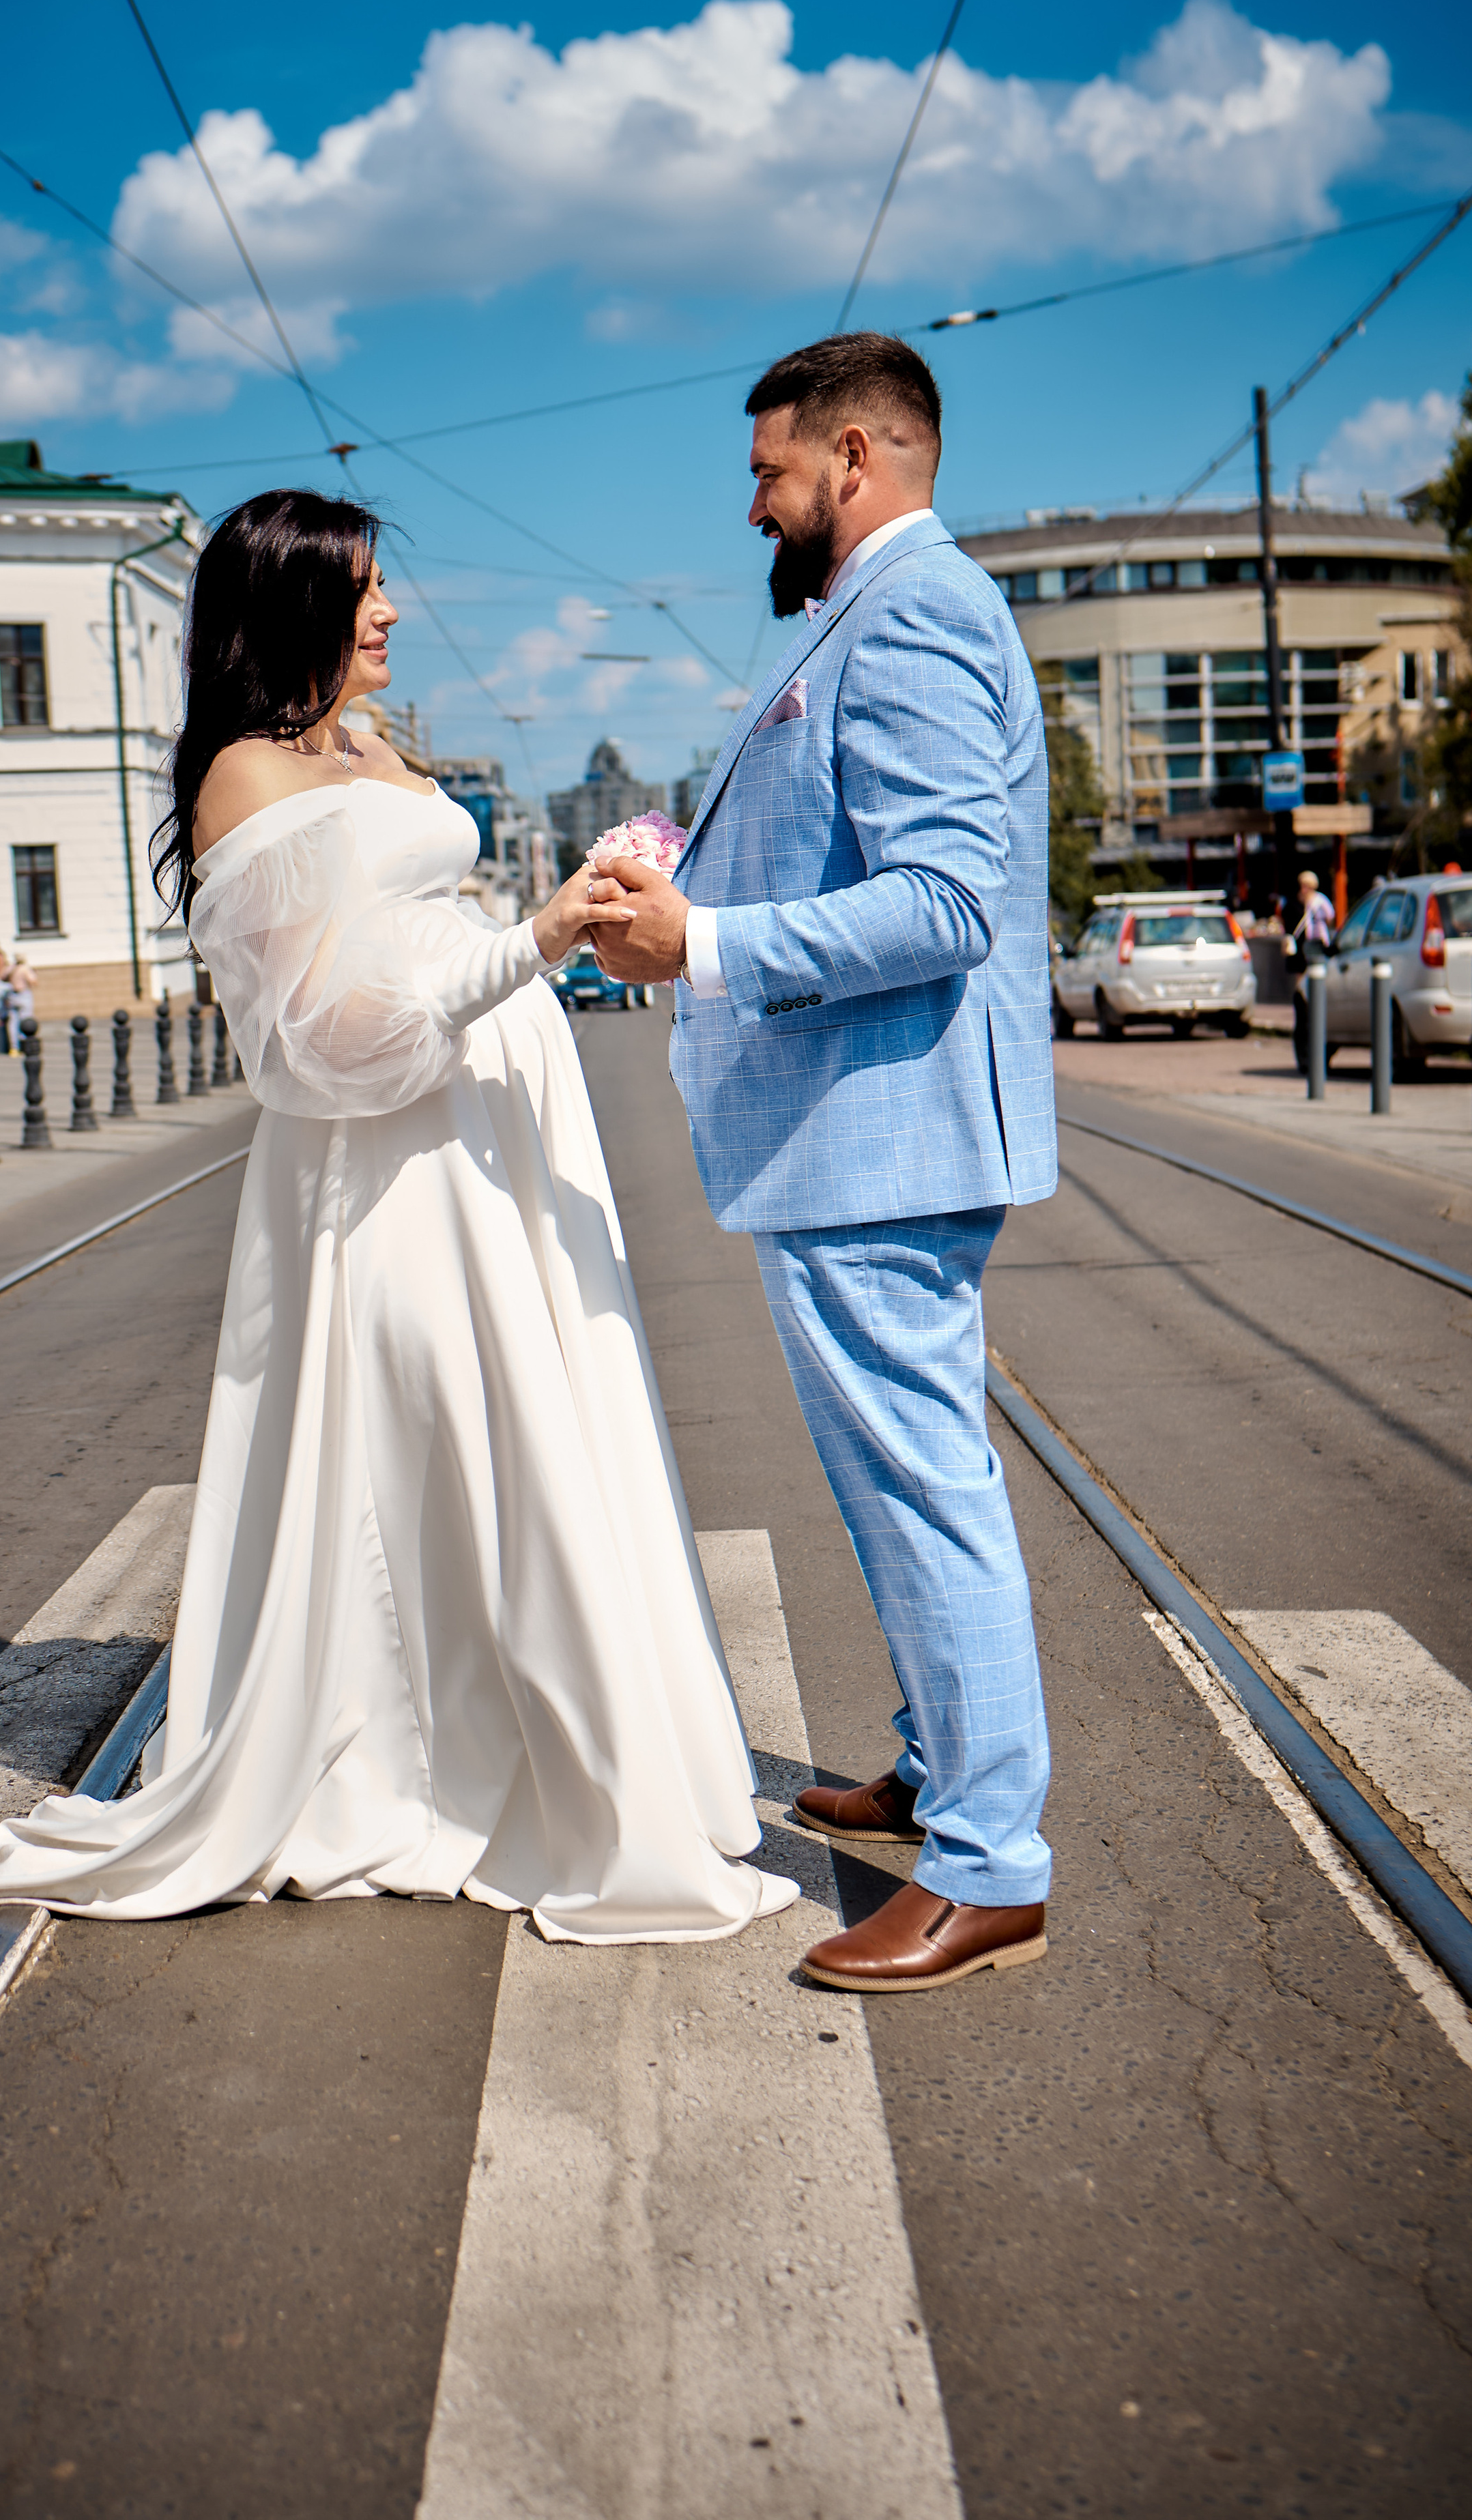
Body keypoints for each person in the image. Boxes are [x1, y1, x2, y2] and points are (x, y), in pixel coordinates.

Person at [0, 489, 796, 1945]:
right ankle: (427, 1762)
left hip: (489, 1135)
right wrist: (528, 947)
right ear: (291, 608)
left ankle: (533, 1757)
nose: (392, 610)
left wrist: (571, 907)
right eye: (364, 589)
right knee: (453, 1440)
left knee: (526, 1437)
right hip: (389, 1162)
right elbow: (327, 1042)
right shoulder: (245, 780)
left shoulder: (361, 746)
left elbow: (414, 930)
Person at [590, 332, 1056, 1995]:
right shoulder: (878, 616)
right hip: (858, 1132)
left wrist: (697, 938)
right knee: (889, 1480)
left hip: (885, 1130)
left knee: (923, 1483)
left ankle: (989, 1864)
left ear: (853, 459)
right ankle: (941, 1763)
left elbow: (940, 899)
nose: (752, 508)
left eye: (766, 473)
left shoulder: (916, 609)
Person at [1287, 868, 1336, 1071]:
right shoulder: (1296, 904)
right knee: (1303, 997)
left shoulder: (1319, 901)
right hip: (1302, 952)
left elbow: (1331, 917)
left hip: (1318, 946)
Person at [4, 951, 38, 1051]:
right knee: (26, 1020)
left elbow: (3, 977)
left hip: (13, 995)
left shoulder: (11, 968)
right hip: (23, 994)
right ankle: (25, 1044)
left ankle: (14, 1046)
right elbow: (33, 981)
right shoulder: (24, 969)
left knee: (13, 1022)